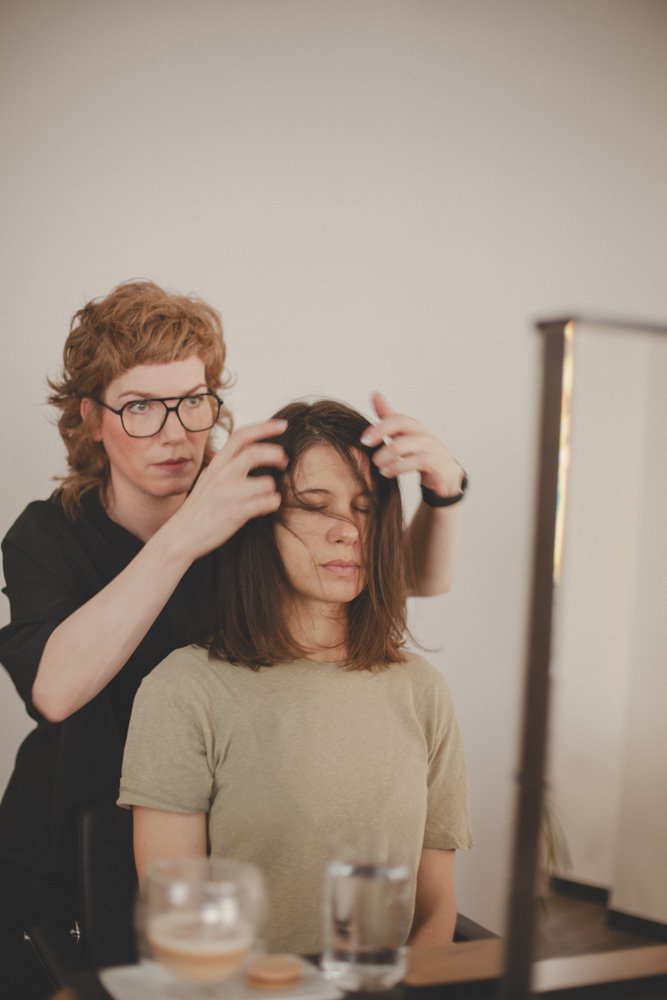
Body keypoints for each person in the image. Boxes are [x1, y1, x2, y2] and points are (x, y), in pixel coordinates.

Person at [0, 281, 467, 996]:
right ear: (91, 419)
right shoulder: (46, 536)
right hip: (68, 842)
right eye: (140, 407)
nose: (176, 431)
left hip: (221, 826)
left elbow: (389, 574)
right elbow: (55, 691)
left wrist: (442, 493)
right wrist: (188, 533)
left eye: (193, 401)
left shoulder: (244, 510)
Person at [119, 399, 472, 955]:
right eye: (313, 505)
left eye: (364, 507)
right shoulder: (185, 690)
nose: (348, 532)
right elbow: (182, 930)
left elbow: (434, 911)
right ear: (260, 520)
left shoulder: (421, 690)